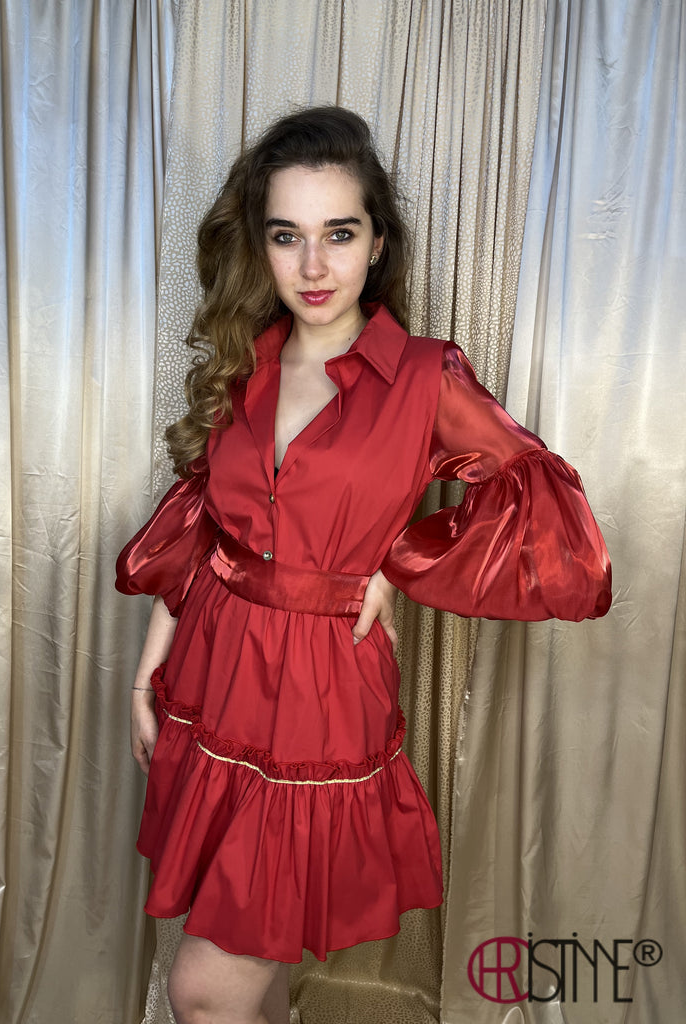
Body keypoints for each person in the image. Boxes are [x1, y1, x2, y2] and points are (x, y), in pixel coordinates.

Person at [116, 106, 611, 1024]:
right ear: (260, 246)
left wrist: (400, 563)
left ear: (378, 242)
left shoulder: (424, 375)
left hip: (317, 693)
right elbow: (201, 530)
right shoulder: (245, 362)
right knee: (253, 975)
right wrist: (150, 671)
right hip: (209, 673)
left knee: (205, 995)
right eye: (287, 236)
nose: (314, 266)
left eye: (339, 234)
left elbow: (540, 494)